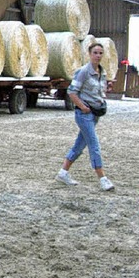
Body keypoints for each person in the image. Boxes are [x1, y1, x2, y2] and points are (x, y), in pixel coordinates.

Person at [55, 42, 114, 191]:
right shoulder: (83, 72)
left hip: (95, 113)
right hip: (84, 114)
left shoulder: (103, 72)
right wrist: (83, 107)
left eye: (100, 53)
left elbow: (99, 91)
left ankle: (63, 173)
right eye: (95, 53)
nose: (98, 56)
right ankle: (103, 178)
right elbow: (72, 91)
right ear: (89, 54)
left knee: (80, 145)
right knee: (94, 145)